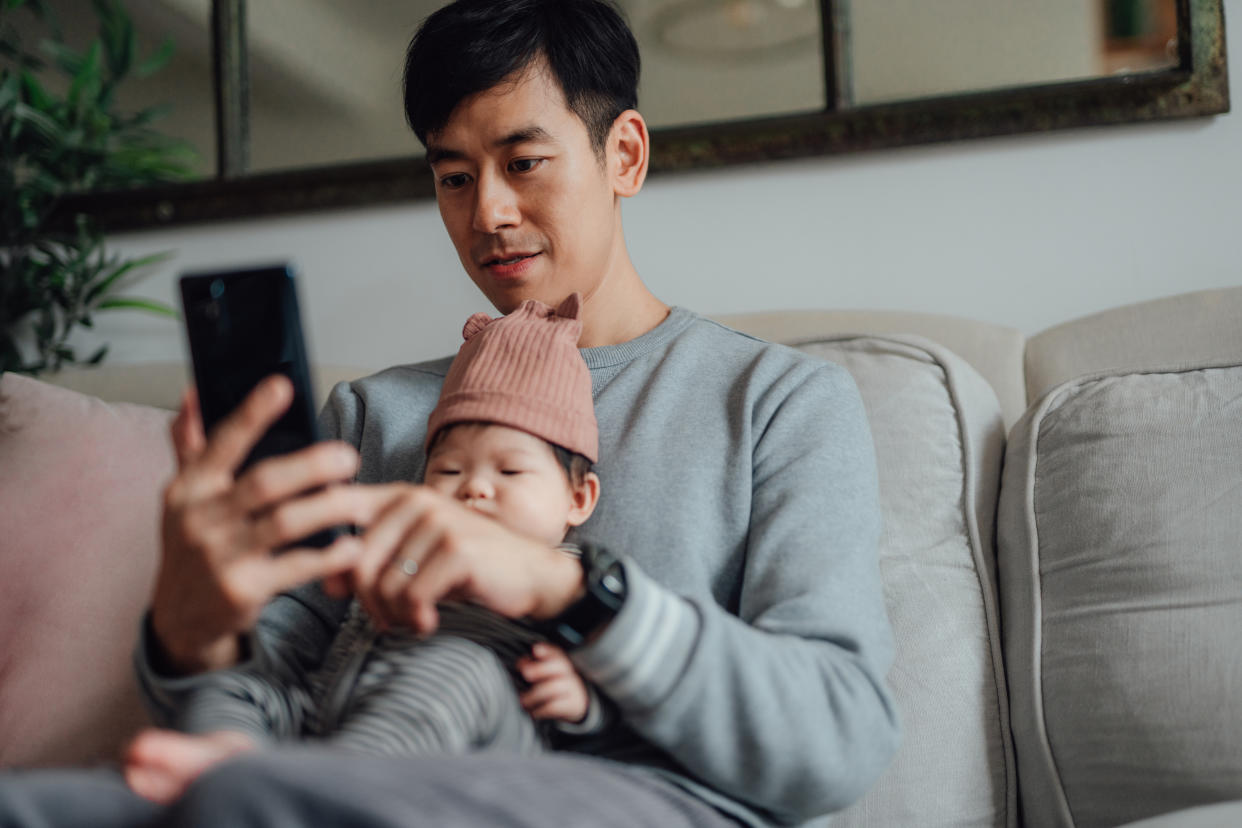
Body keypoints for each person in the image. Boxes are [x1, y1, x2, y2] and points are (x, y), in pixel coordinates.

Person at [0, 1, 898, 826]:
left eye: (523, 163)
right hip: (317, 786)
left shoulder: (778, 402)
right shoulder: (372, 415)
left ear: (623, 155)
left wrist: (565, 589)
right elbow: (252, 722)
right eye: (455, 177)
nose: (489, 212)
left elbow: (840, 735)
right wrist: (194, 633)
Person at [121, 294, 614, 806]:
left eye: (509, 471)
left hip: (479, 740)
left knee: (458, 669)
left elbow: (626, 691)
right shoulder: (401, 546)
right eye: (449, 471)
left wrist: (584, 703)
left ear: (579, 498)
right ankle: (227, 756)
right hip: (337, 704)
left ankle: (317, 792)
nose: (475, 489)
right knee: (246, 687)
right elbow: (313, 630)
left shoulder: (578, 580)